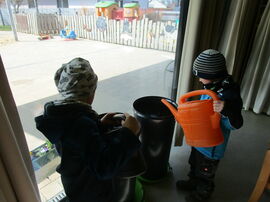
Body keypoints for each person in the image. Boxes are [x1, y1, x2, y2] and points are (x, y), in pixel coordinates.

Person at [35, 57, 141, 202]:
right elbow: (104, 167)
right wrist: (129, 133)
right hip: (91, 191)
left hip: (74, 182)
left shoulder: (62, 116)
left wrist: (98, 124)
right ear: (91, 93)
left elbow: (79, 144)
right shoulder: (80, 123)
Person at [176, 49, 243, 202]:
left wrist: (225, 109)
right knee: (194, 163)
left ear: (212, 76)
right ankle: (193, 181)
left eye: (201, 76)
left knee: (205, 172)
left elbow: (237, 124)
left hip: (212, 147)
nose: (199, 80)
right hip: (199, 139)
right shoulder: (212, 86)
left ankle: (203, 192)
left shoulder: (229, 95)